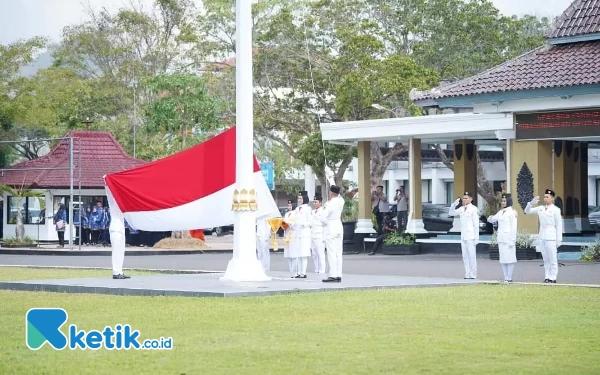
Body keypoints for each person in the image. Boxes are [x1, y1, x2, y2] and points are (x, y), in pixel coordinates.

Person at [524, 189, 563, 283]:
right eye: (544, 197)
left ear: (552, 198)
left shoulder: (556, 210)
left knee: (552, 258)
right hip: (542, 236)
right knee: (545, 259)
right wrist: (531, 203)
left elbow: (559, 225)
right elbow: (527, 211)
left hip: (551, 236)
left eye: (547, 197)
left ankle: (553, 277)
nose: (545, 199)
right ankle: (547, 276)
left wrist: (559, 239)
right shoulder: (541, 208)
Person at [487, 193, 518, 282]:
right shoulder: (501, 212)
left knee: (510, 258)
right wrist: (489, 217)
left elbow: (513, 227)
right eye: (502, 201)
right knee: (503, 258)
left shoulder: (512, 212)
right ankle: (505, 278)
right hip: (501, 238)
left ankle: (509, 277)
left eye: (505, 201)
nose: (503, 203)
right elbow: (493, 219)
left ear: (508, 201)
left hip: (509, 238)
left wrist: (513, 240)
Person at [449, 191, 480, 279]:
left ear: (471, 199)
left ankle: (473, 274)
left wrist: (477, 238)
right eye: (463, 198)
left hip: (471, 236)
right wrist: (453, 205)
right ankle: (467, 273)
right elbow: (451, 213)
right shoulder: (462, 209)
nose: (464, 199)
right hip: (463, 236)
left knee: (472, 256)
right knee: (465, 256)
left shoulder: (473, 209)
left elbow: (476, 224)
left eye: (466, 198)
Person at [321, 185, 345, 283]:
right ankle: (339, 274)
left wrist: (325, 223)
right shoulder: (341, 201)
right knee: (338, 253)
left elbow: (323, 217)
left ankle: (333, 275)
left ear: (331, 193)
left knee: (331, 252)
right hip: (339, 226)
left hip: (331, 227)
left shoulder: (329, 203)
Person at [292, 191, 312, 278]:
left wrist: (305, 224)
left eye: (300, 198)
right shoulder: (297, 209)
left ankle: (303, 272)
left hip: (304, 233)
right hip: (297, 233)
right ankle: (299, 272)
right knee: (298, 254)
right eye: (298, 198)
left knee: (303, 254)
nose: (299, 200)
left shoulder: (308, 208)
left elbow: (311, 221)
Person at [311, 195, 327, 274]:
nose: (314, 203)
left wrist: (324, 236)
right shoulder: (312, 212)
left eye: (316, 202)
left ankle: (322, 269)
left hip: (320, 234)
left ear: (320, 203)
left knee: (320, 253)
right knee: (314, 253)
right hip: (313, 234)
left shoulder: (323, 211)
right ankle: (316, 268)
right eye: (314, 202)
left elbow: (325, 224)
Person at [282, 199, 297, 276]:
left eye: (290, 205)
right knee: (288, 253)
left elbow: (296, 224)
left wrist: (289, 223)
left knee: (293, 253)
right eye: (288, 205)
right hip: (287, 233)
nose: (289, 207)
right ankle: (290, 270)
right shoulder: (287, 214)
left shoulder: (296, 213)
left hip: (293, 234)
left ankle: (294, 270)